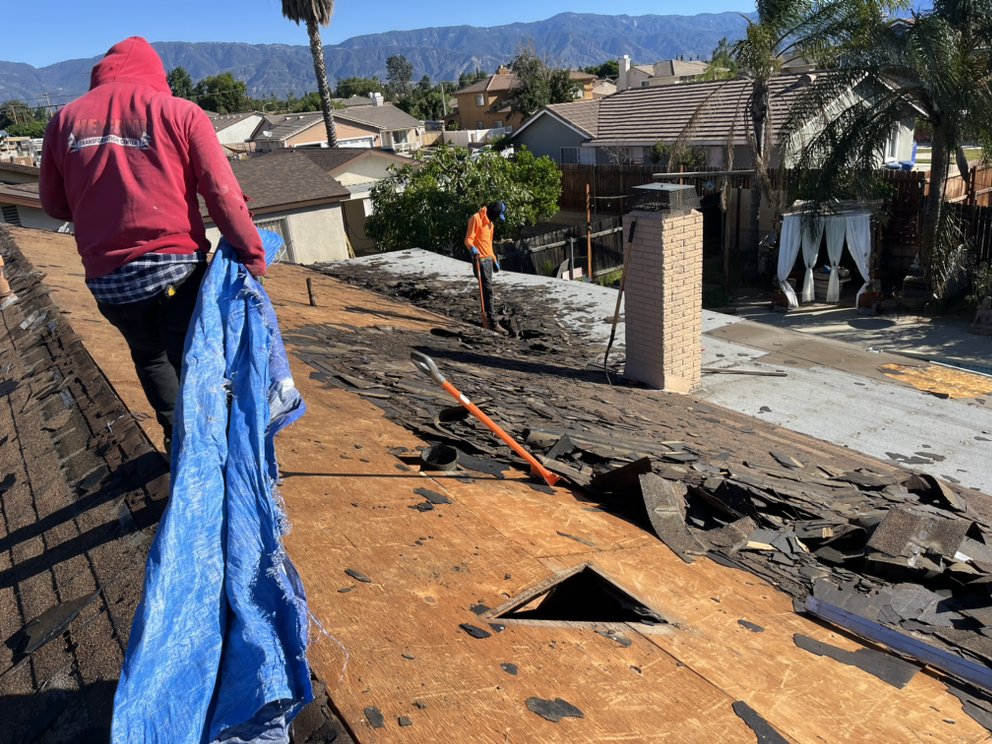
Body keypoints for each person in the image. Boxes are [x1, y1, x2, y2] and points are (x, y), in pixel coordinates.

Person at [39, 37, 266, 453]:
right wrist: (252, 252)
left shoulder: (63, 122)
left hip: (109, 282)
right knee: (197, 362)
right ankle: (222, 449)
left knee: (149, 356)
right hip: (174, 269)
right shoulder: (180, 112)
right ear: (156, 74)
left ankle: (176, 440)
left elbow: (53, 205)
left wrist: (104, 208)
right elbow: (221, 193)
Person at [464, 201, 506, 331]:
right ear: (493, 212)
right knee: (488, 291)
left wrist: (493, 259)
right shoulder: (476, 219)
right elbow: (468, 239)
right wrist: (472, 248)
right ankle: (492, 322)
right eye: (498, 215)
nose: (497, 219)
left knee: (488, 291)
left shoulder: (491, 225)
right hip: (479, 261)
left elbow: (488, 244)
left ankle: (489, 317)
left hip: (488, 261)